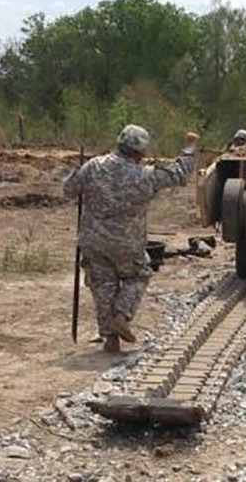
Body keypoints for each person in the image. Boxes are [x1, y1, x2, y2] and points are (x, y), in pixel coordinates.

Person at [62, 125, 200, 353]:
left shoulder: (94, 166)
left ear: (119, 143)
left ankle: (110, 338)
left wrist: (77, 173)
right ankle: (122, 315)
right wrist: (190, 148)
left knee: (102, 285)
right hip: (127, 243)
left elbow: (68, 190)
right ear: (141, 152)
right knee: (139, 275)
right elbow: (179, 173)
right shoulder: (145, 175)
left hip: (93, 240)